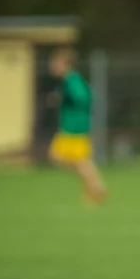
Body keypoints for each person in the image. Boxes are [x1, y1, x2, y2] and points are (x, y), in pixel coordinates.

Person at [48, 47, 106, 204]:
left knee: (76, 161)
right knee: (66, 159)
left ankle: (95, 187)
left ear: (65, 63)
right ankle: (94, 186)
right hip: (72, 126)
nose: (52, 66)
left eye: (55, 63)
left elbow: (83, 97)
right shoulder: (70, 80)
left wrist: (64, 98)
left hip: (74, 128)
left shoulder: (71, 79)